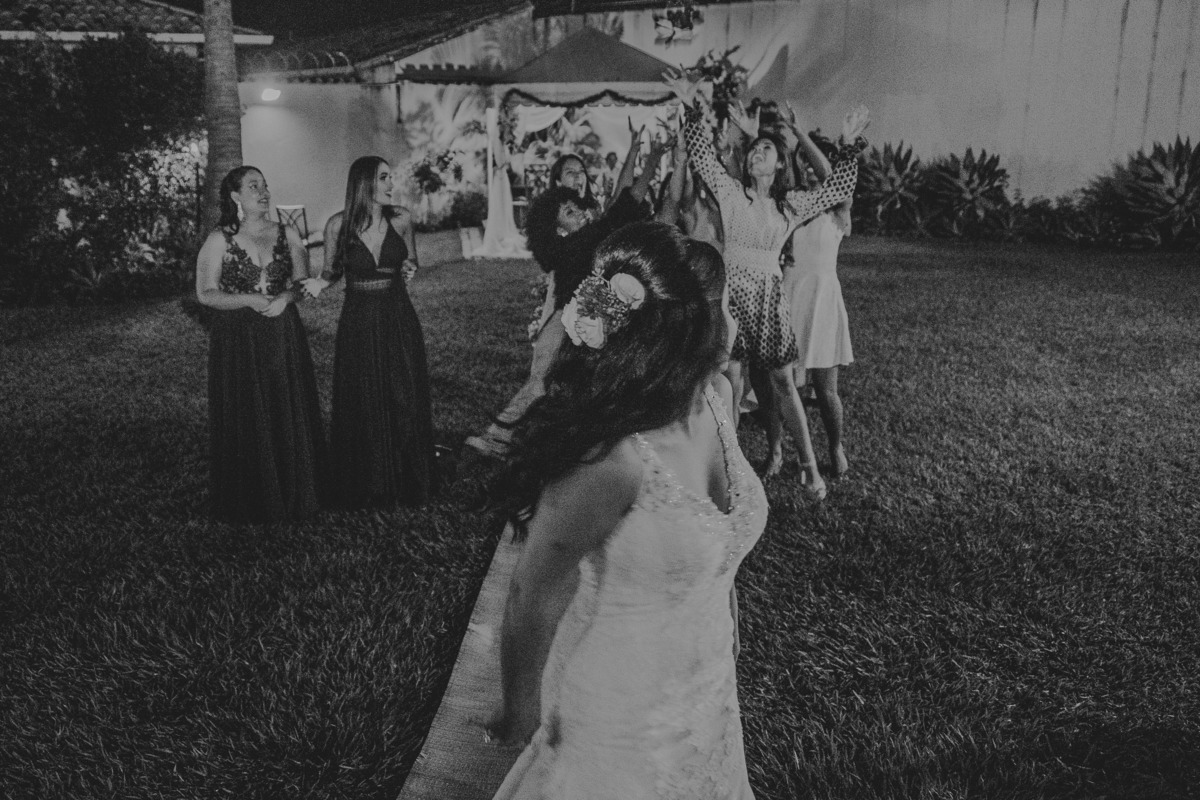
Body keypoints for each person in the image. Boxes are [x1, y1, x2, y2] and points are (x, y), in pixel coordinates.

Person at [484, 221, 766, 797]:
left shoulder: (719, 398)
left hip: (708, 693)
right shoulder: (613, 462)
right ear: (689, 330)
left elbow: (720, 545)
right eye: (727, 306)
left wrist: (727, 615)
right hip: (620, 715)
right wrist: (520, 715)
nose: (736, 319)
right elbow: (530, 593)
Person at [666, 69, 867, 500]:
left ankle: (810, 466)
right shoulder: (730, 192)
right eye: (754, 146)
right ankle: (727, 466)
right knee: (729, 380)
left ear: (779, 165)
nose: (758, 151)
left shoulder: (790, 205)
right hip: (732, 295)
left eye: (766, 148)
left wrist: (848, 144)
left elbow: (839, 188)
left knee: (782, 382)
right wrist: (690, 106)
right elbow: (702, 154)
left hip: (770, 298)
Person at [463, 137, 667, 459]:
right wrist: (651, 157)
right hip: (569, 313)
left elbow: (622, 198)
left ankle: (560, 446)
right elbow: (627, 199)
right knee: (544, 381)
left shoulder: (590, 225)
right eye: (569, 211)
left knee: (579, 387)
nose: (578, 177)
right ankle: (499, 439)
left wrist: (641, 153)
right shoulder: (574, 241)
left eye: (581, 170)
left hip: (592, 314)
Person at [301, 156, 438, 508]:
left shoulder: (402, 219)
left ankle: (409, 478)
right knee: (363, 395)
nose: (391, 184)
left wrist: (408, 268)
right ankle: (368, 481)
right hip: (359, 319)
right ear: (364, 183)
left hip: (397, 315)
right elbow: (331, 273)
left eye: (391, 177)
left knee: (403, 392)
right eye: (383, 177)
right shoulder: (338, 226)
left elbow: (411, 260)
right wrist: (316, 285)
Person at [194, 166, 325, 523]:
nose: (264, 192)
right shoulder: (219, 239)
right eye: (254, 186)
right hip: (237, 338)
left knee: (285, 404)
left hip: (282, 331)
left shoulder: (288, 232)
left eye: (265, 186)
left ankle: (294, 489)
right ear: (236, 196)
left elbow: (302, 282)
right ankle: (252, 495)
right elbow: (206, 294)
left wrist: (285, 298)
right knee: (247, 408)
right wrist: (248, 300)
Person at [776, 115, 864, 479]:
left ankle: (835, 445)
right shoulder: (792, 204)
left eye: (814, 164)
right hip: (790, 293)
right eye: (803, 165)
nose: (810, 172)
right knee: (788, 385)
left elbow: (832, 177)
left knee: (827, 390)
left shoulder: (838, 208)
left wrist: (800, 133)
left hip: (823, 298)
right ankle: (792, 450)